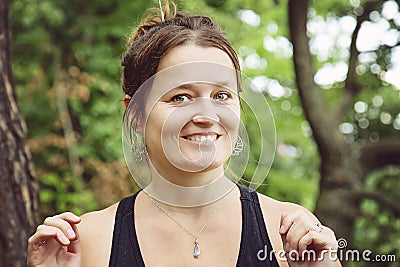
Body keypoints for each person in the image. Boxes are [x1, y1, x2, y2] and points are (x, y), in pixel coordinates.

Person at [27, 1, 341, 266]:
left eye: (221, 96)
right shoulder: (87, 242)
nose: (206, 116)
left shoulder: (289, 231)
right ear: (134, 114)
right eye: (180, 97)